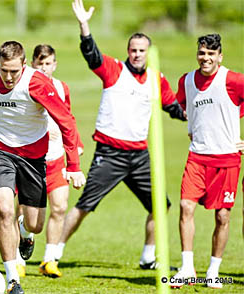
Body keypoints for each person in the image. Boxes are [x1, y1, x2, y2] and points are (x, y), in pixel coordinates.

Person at [56, 0, 187, 270]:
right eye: (133, 50)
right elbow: (91, 54)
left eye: (142, 51)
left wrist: (195, 114)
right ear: (128, 51)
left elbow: (173, 108)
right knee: (85, 206)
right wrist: (84, 25)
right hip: (110, 154)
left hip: (139, 156)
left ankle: (148, 257)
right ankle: (53, 253)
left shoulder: (156, 78)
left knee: (160, 206)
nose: (137, 54)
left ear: (149, 53)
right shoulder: (115, 70)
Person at [0, 41, 86, 294]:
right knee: (4, 209)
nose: (8, 77)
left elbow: (66, 121)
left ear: (24, 66)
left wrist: (74, 166)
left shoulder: (37, 83)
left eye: (14, 72)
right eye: (4, 70)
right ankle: (12, 278)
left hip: (33, 156)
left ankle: (26, 232)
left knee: (36, 224)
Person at [170, 33, 244, 289]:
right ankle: (187, 268)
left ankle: (213, 271)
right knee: (185, 207)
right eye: (202, 53)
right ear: (197, 54)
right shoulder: (187, 80)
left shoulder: (233, 80)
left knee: (223, 217)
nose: (206, 58)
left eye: (211, 54)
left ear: (220, 57)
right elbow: (182, 108)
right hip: (197, 157)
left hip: (227, 160)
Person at [15, 44, 84, 279]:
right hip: (29, 159)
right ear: (33, 64)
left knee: (60, 206)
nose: (44, 68)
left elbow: (68, 118)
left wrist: (77, 145)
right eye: (40, 63)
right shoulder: (24, 85)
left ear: (54, 64)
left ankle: (49, 260)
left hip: (56, 159)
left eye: (48, 63)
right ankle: (17, 258)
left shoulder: (61, 88)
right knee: (21, 209)